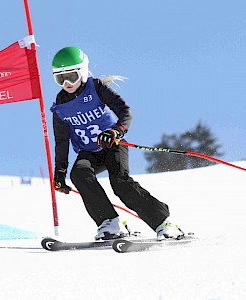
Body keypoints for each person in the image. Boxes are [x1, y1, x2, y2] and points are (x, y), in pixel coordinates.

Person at [50, 46, 184, 241]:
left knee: (120, 183)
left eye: (71, 75)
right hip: (88, 152)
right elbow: (61, 141)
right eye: (60, 78)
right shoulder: (60, 106)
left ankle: (164, 223)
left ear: (83, 71)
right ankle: (110, 223)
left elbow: (125, 111)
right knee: (79, 173)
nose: (67, 82)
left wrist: (115, 131)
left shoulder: (95, 88)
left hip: (112, 145)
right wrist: (59, 173)